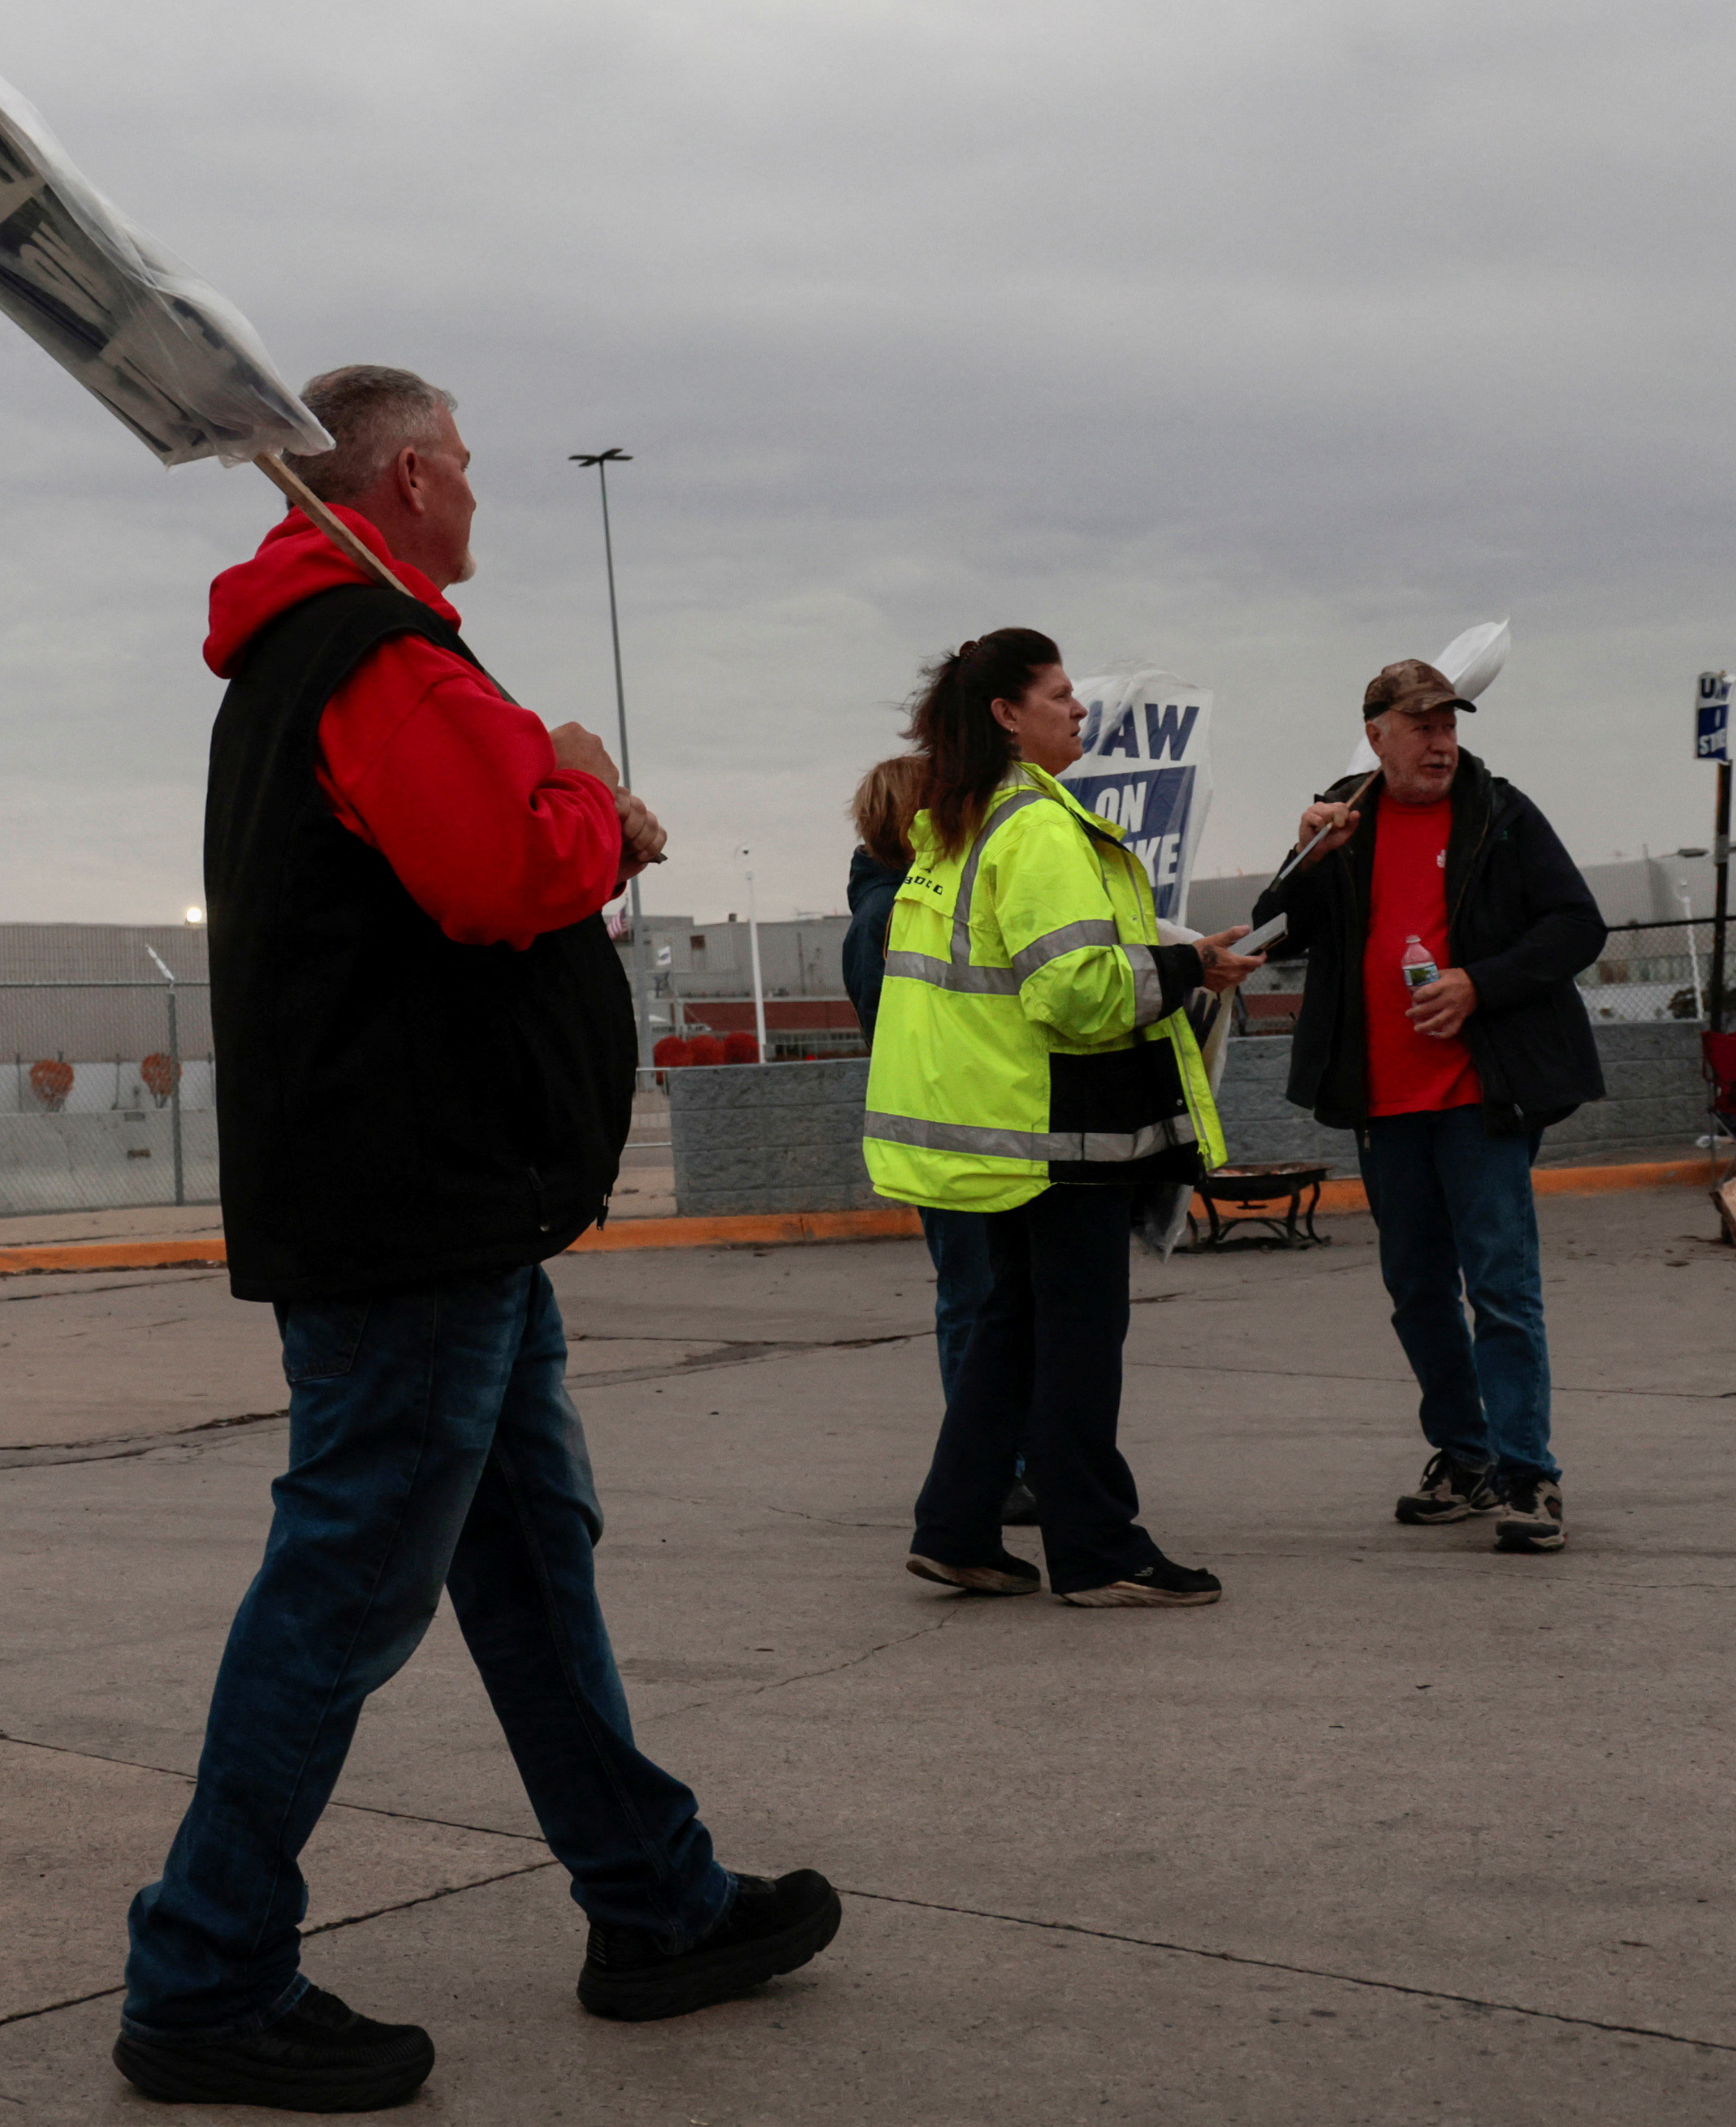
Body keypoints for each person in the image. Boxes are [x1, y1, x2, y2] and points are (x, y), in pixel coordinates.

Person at [119, 366, 838, 2113]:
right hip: (412, 1207)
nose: (481, 495)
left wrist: (571, 812)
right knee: (350, 1573)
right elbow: (491, 874)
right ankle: (204, 1970)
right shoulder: (366, 653)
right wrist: (593, 803)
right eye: (469, 466)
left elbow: (467, 848)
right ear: (414, 472)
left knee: (524, 1556)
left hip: (446, 1207)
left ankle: (653, 1902)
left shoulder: (354, 647)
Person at [865, 631, 1251, 1608]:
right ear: (1006, 713)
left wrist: (1174, 960)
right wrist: (1185, 968)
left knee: (1011, 1326)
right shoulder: (1034, 826)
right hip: (1059, 1127)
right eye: (1059, 693)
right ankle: (1099, 1550)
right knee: (1077, 1335)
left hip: (998, 1124)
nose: (1079, 711)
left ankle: (956, 1528)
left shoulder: (959, 825)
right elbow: (1073, 992)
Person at [1261, 660, 1605, 1557]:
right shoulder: (1341, 818)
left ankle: (1529, 1473)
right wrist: (1304, 857)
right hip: (1382, 1097)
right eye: (1419, 724)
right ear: (1375, 733)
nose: (1440, 740)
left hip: (1481, 1095)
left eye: (1448, 721)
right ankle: (1464, 1454)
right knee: (1415, 1289)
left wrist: (1477, 985)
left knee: (1499, 1284)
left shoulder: (1502, 812)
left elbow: (1576, 924)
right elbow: (1277, 928)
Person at [848, 756, 1029, 1526]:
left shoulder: (887, 907)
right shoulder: (893, 917)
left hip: (961, 1134)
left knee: (988, 1302)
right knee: (976, 1303)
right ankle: (989, 1470)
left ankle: (1000, 1463)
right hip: (951, 1137)